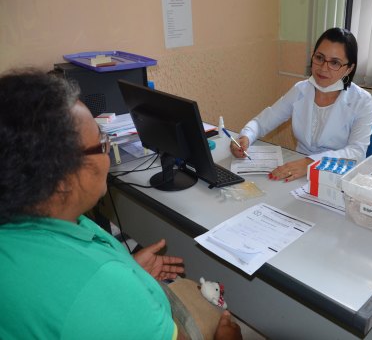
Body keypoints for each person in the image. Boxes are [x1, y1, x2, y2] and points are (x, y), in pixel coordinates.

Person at [0, 69, 242, 340]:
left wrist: (129, 271)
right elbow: (93, 295)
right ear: (62, 179)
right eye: (101, 144)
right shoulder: (103, 291)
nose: (107, 152)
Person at [230, 27, 372, 182]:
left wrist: (310, 163)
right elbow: (262, 122)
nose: (323, 68)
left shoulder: (361, 100)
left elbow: (357, 152)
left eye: (334, 62)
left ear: (349, 68)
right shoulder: (300, 90)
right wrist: (245, 137)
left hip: (335, 177)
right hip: (297, 172)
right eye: (319, 57)